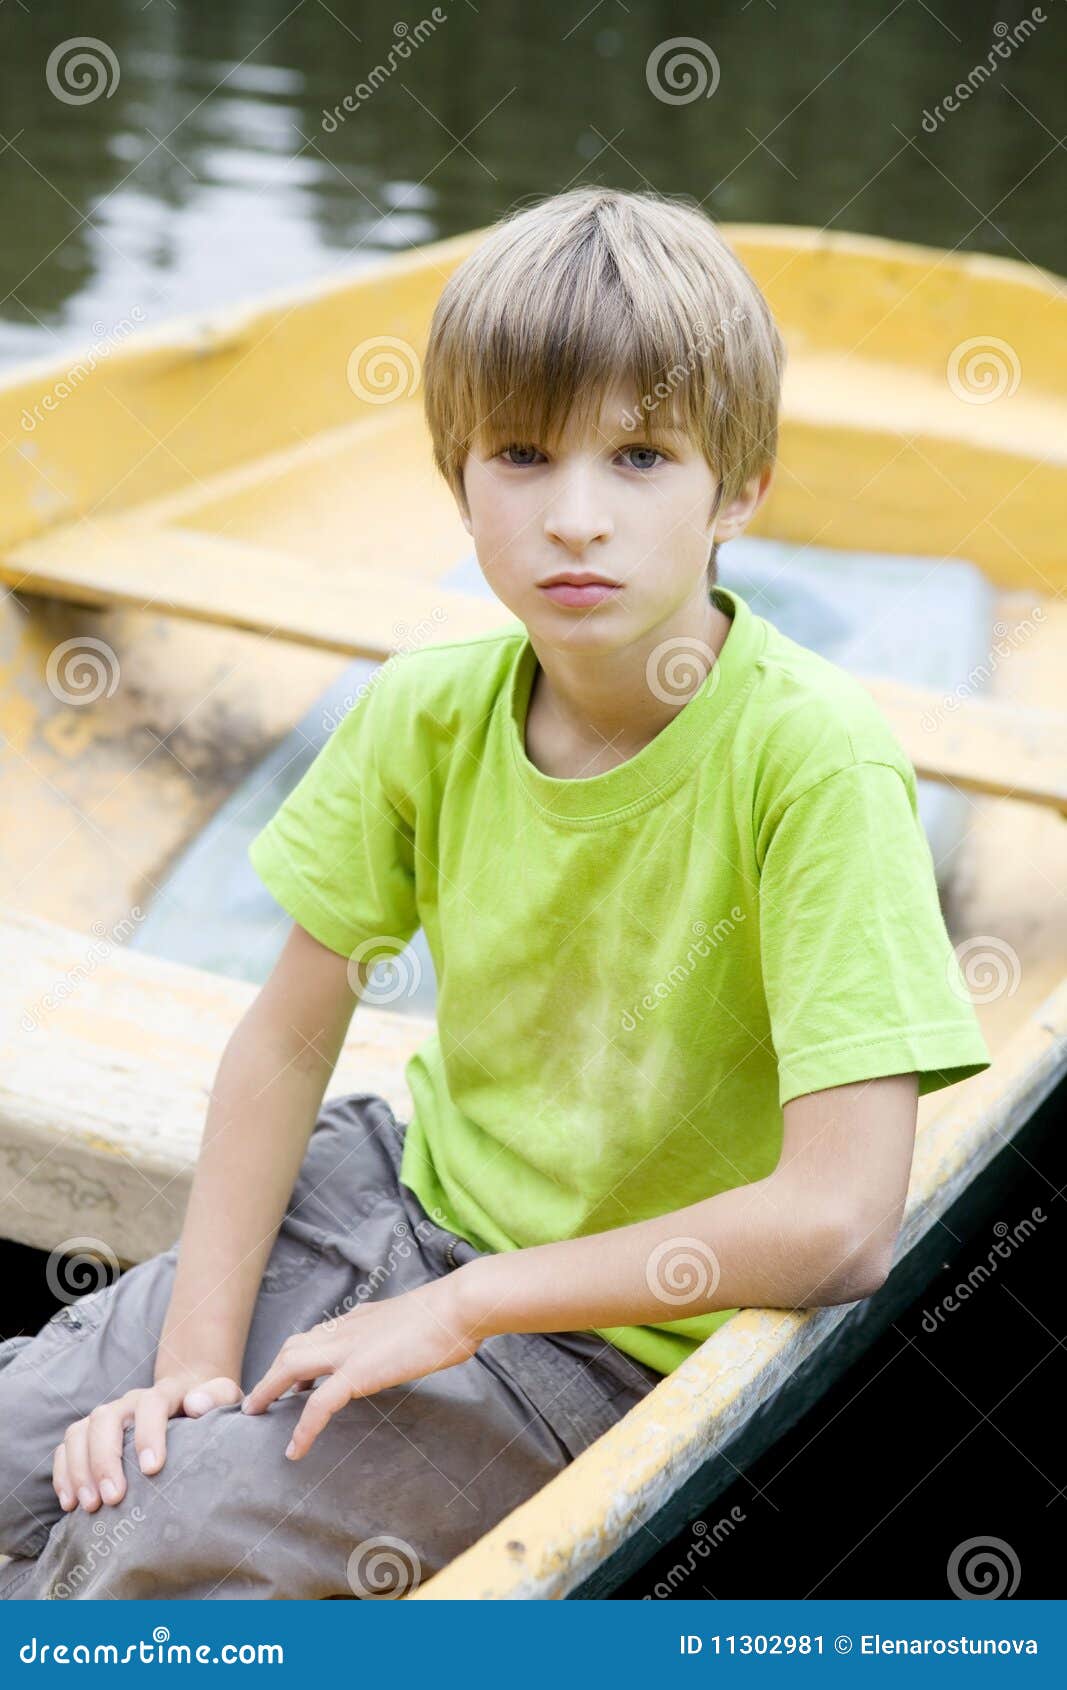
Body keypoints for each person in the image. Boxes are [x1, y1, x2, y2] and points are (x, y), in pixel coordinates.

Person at [0, 186, 990, 1600]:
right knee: (65, 1444)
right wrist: (196, 1375)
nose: (576, 518)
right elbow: (284, 1039)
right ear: (457, 473)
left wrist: (460, 1310)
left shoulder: (812, 763)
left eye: (641, 456)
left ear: (741, 488)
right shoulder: (430, 710)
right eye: (521, 454)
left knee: (144, 1554)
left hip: (598, 1340)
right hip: (379, 1203)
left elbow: (840, 1220)